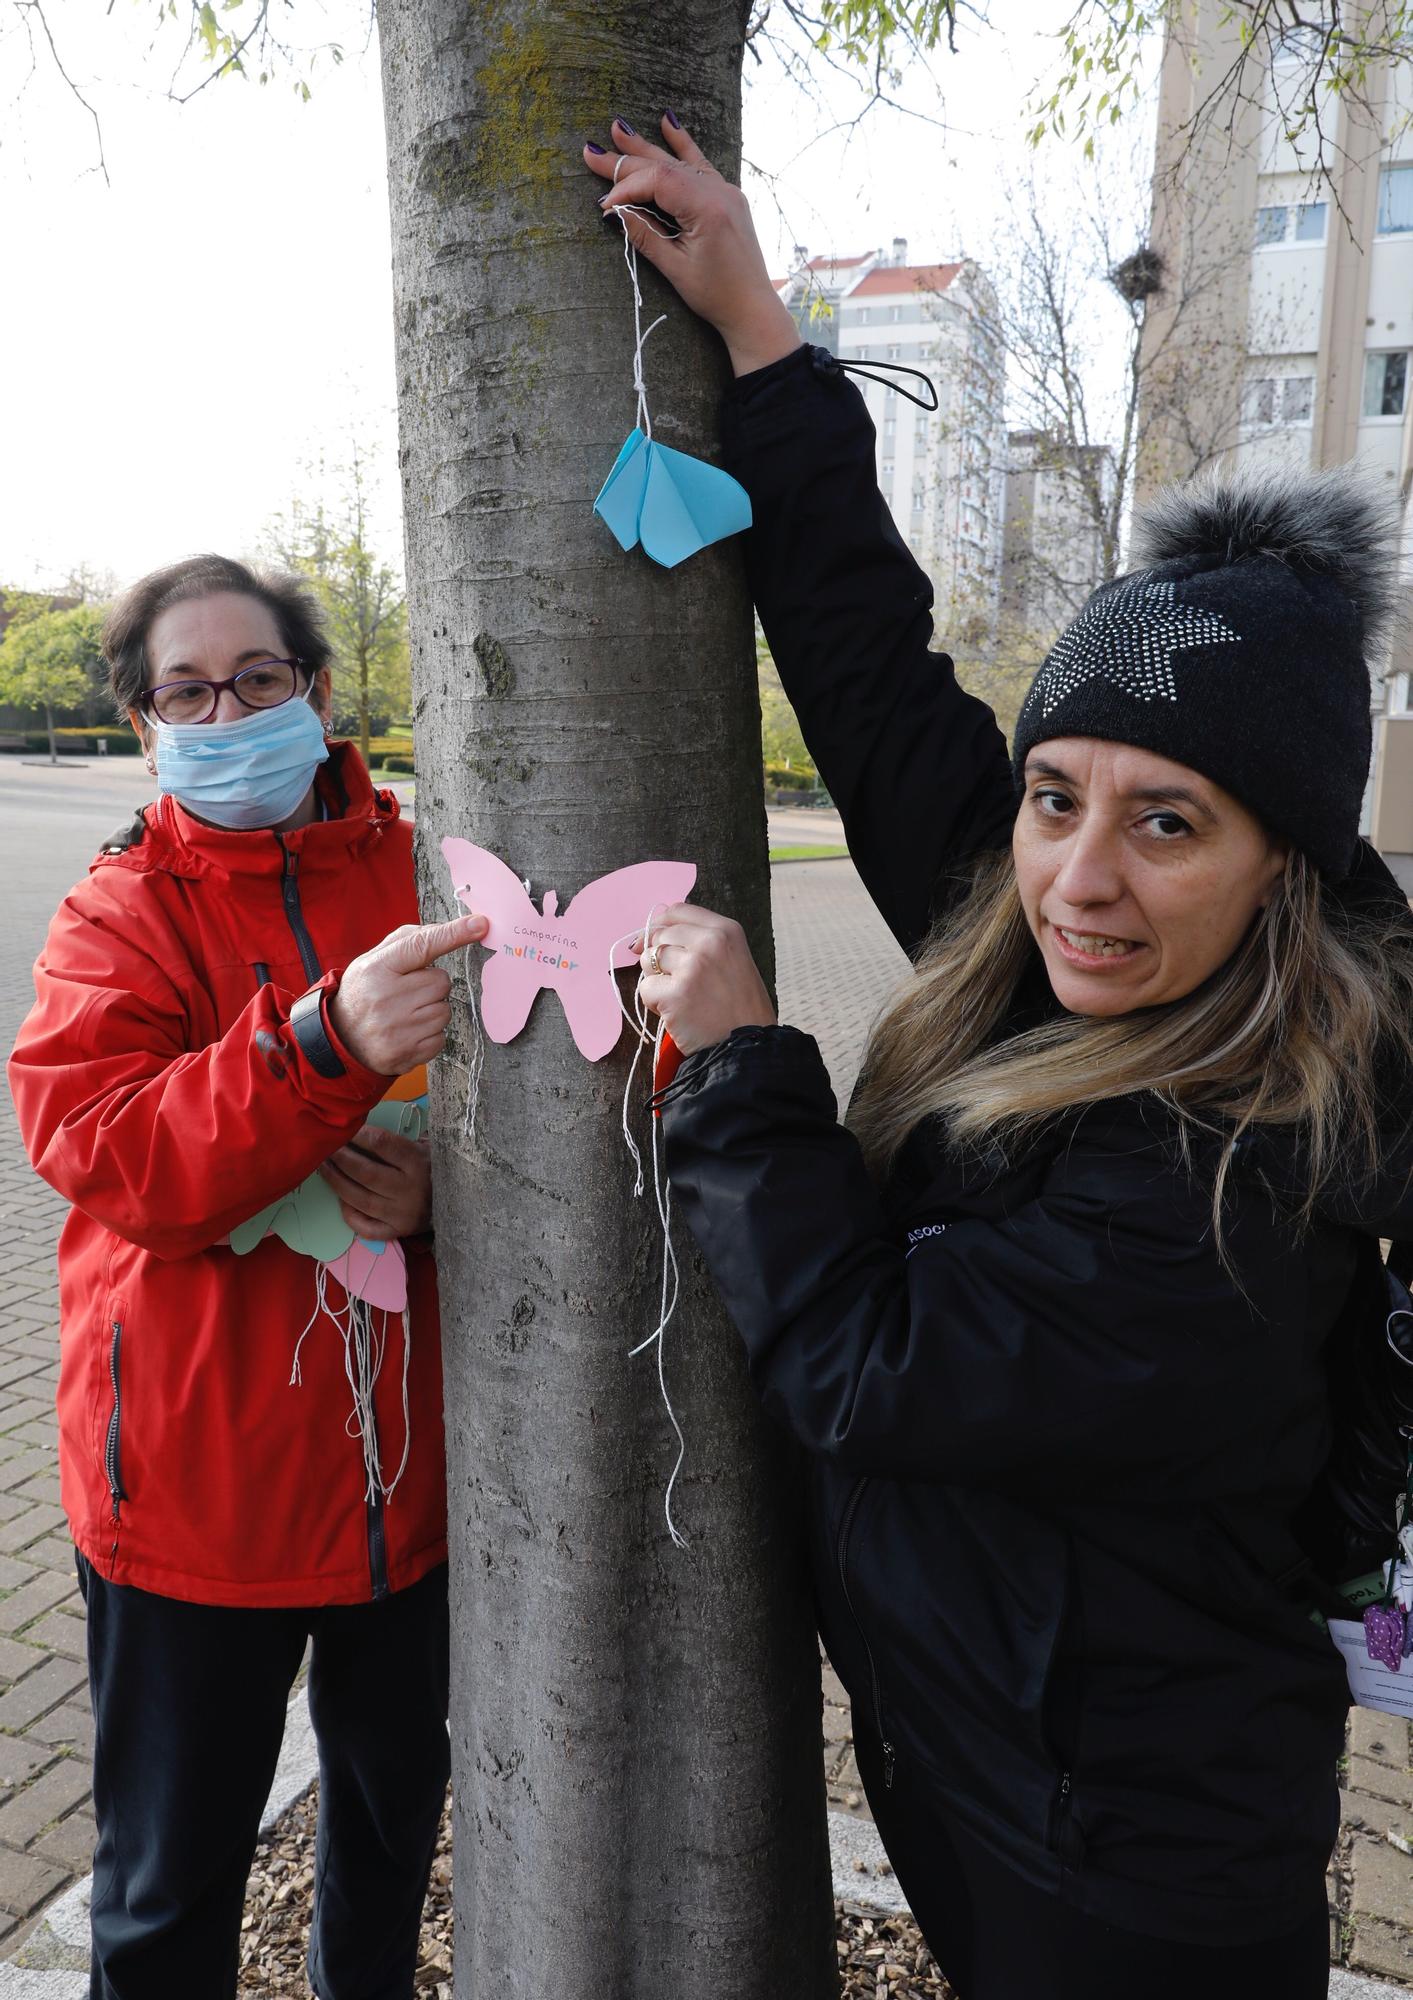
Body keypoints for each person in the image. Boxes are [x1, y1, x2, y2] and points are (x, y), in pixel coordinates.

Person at [585, 118, 1413, 1997]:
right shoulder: (1077, 948)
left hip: (1130, 1861)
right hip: (995, 1763)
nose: (1075, 879)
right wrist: (769, 346)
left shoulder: (1247, 1158)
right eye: (1054, 797)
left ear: (1286, 860)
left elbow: (874, 1367)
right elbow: (878, 684)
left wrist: (739, 1080)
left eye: (1168, 822)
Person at [7, 555, 486, 2000]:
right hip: (193, 1499)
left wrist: (442, 1212)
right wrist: (320, 1041)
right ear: (147, 726)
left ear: (319, 691)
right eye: (187, 692)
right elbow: (106, 1148)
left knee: (389, 1841)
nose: (229, 713)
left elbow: (555, 1130)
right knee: (165, 1893)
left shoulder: (433, 869)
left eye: (259, 680)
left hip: (412, 1494)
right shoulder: (118, 914)